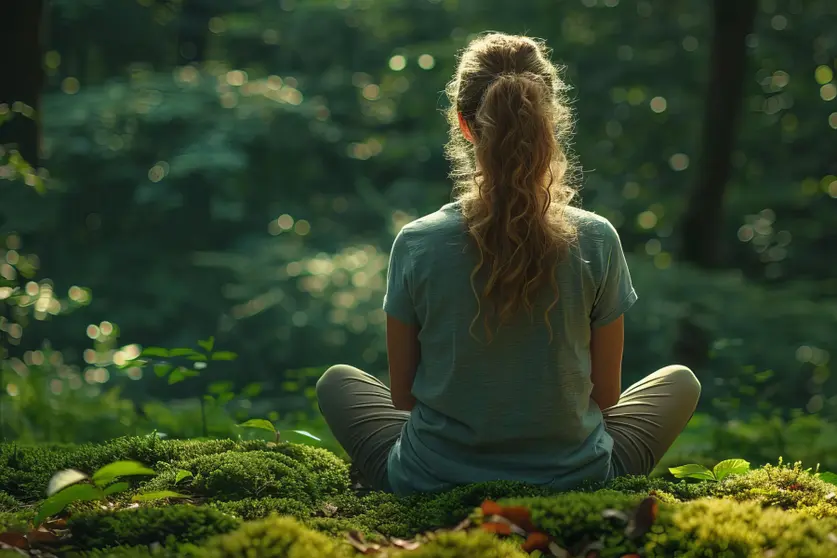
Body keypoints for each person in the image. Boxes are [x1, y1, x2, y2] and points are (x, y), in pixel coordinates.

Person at [317, 32, 700, 496]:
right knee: (681, 382)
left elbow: (402, 397)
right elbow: (606, 396)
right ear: (550, 120)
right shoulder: (596, 238)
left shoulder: (416, 243)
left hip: (430, 480)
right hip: (574, 479)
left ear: (463, 123)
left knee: (336, 382)